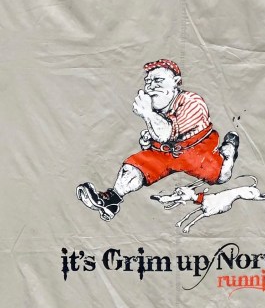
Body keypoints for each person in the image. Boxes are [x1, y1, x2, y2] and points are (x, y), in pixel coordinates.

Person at [77, 58, 239, 220]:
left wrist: (147, 113)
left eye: (158, 80)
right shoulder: (159, 109)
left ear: (176, 82)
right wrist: (148, 142)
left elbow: (166, 134)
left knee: (221, 175)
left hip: (196, 154)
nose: (150, 86)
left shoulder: (193, 102)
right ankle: (112, 200)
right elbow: (160, 138)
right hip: (167, 154)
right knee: (134, 166)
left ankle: (229, 150)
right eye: (148, 81)